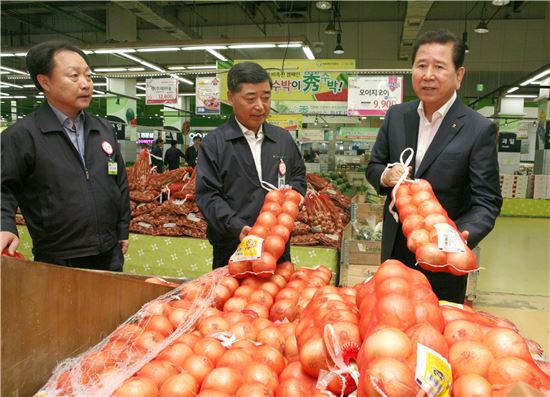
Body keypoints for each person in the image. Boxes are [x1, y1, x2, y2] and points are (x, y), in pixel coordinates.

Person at [366, 30, 502, 303]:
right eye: (421, 65)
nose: (428, 75)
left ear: (459, 75)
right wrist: (385, 175)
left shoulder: (478, 129)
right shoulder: (396, 117)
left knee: (437, 335)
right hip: (396, 252)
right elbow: (374, 166)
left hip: (442, 259)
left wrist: (459, 236)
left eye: (439, 67)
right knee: (392, 325)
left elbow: (486, 202)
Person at [0, 40, 130, 271]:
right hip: (58, 257)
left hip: (109, 253)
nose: (85, 84)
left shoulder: (103, 129)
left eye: (88, 76)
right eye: (74, 76)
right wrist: (4, 225)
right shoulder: (22, 136)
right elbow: (3, 187)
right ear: (45, 81)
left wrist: (122, 229)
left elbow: (119, 183)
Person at [196, 62, 306, 269]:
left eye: (265, 98)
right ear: (230, 97)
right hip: (232, 245)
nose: (260, 105)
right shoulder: (215, 143)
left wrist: (295, 199)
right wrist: (237, 227)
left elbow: (298, 176)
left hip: (277, 246)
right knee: (232, 299)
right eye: (250, 98)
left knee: (275, 298)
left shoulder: (282, 139)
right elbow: (207, 195)